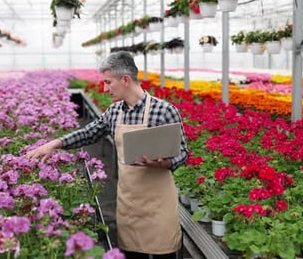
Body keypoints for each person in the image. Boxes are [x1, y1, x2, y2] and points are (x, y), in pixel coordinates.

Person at [25, 51, 189, 259]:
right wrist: (55, 143)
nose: (105, 88)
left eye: (108, 82)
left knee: (163, 254)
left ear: (126, 80)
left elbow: (183, 152)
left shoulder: (164, 111)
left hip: (159, 206)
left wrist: (164, 163)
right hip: (129, 204)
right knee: (131, 254)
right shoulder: (114, 112)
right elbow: (89, 132)